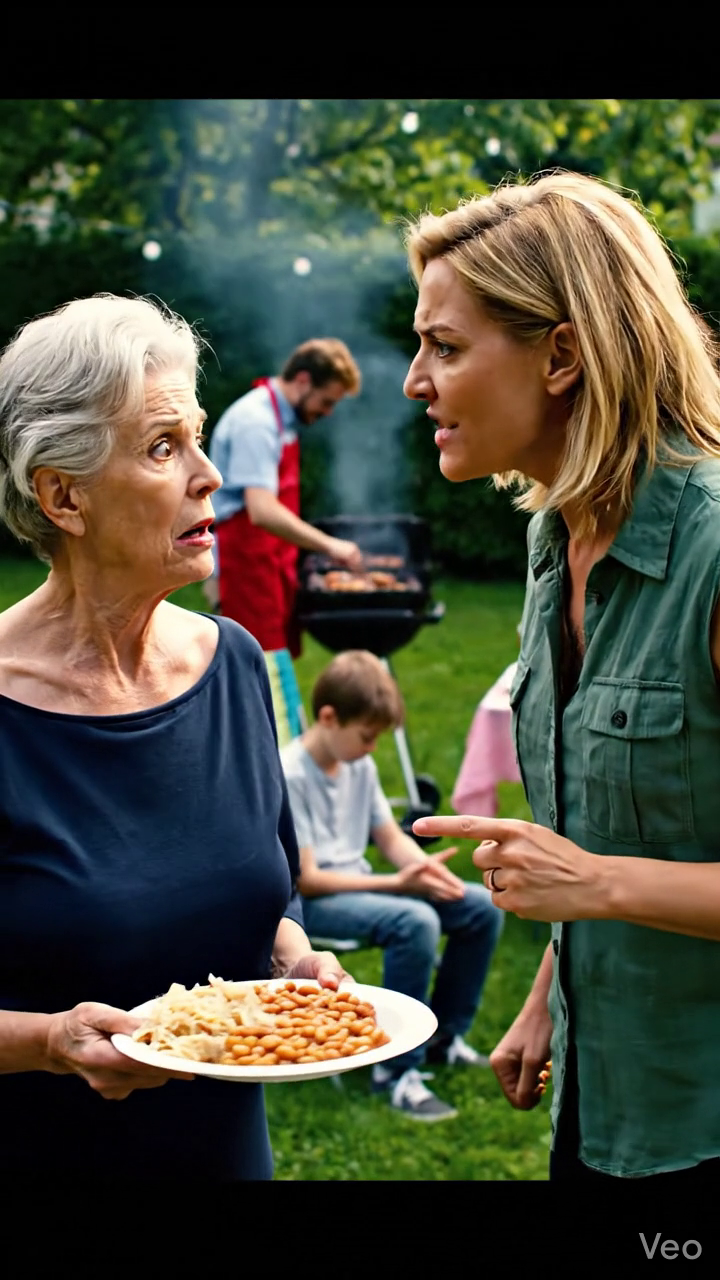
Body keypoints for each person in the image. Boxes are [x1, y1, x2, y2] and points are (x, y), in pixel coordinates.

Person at [402, 171, 720, 1185]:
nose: (416, 380)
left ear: (562, 355)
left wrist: (591, 883)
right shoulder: (557, 542)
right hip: (599, 1098)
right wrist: (548, 989)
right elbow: (627, 823)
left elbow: (603, 865)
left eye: (445, 346)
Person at [0, 293, 350, 1184]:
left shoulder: (234, 664)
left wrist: (292, 954)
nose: (210, 476)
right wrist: (47, 1042)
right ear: (64, 496)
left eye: (198, 438)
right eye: (164, 447)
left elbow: (272, 884)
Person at [280, 650, 504, 1122]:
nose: (372, 748)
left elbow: (389, 838)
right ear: (328, 718)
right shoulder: (291, 773)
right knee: (414, 921)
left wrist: (426, 872)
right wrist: (400, 885)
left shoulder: (357, 765)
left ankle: (445, 1038)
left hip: (365, 888)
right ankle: (396, 1069)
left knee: (480, 907)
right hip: (315, 905)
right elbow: (309, 880)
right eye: (367, 736)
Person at [207, 340, 365, 746]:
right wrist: (331, 546)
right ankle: (278, 758)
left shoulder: (283, 421)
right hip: (246, 567)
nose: (326, 412)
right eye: (326, 402)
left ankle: (284, 747)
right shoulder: (255, 422)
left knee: (273, 667)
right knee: (260, 670)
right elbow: (261, 511)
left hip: (270, 565)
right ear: (303, 380)